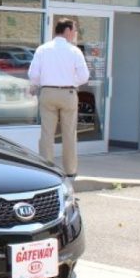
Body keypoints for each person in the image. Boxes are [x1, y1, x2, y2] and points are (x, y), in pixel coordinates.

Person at [28, 18, 90, 180]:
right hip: (68, 93)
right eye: (74, 30)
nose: (75, 33)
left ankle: (46, 169)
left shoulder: (43, 49)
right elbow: (84, 76)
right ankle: (70, 170)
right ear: (67, 30)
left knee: (47, 133)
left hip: (48, 92)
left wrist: (38, 83)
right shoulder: (74, 51)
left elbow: (33, 74)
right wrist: (72, 82)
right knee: (69, 133)